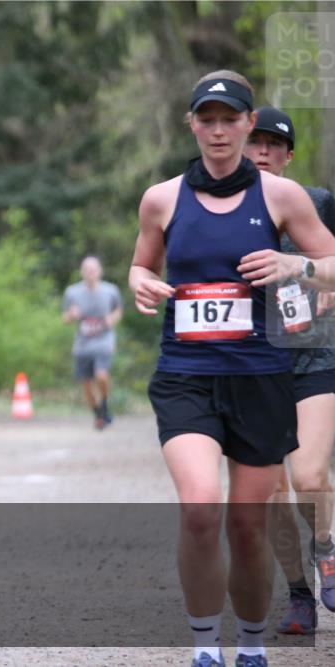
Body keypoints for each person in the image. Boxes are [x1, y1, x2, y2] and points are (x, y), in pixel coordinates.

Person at [128, 70, 335, 667]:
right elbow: (140, 265)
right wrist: (143, 285)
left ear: (249, 124)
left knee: (248, 526)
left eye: (230, 119)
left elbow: (330, 264)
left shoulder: (283, 198)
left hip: (260, 377)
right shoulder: (161, 198)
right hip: (186, 374)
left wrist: (295, 268)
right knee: (199, 508)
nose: (218, 131)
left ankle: (249, 645)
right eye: (207, 119)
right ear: (192, 124)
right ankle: (203, 648)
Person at [242, 106, 335, 635]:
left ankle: (326, 547)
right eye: (254, 141)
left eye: (273, 144)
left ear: (288, 155)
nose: (261, 151)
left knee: (309, 476)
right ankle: (299, 595)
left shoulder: (317, 203)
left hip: (314, 358)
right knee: (272, 491)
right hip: (253, 366)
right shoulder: (220, 209)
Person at [61, 256, 122, 429]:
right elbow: (65, 317)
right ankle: (98, 414)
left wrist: (112, 319)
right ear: (81, 272)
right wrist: (71, 315)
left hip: (104, 341)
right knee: (86, 385)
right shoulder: (72, 292)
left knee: (101, 375)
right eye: (87, 270)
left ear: (100, 271)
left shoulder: (111, 290)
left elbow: (118, 310)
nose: (90, 273)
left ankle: (104, 403)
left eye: (93, 270)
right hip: (83, 344)